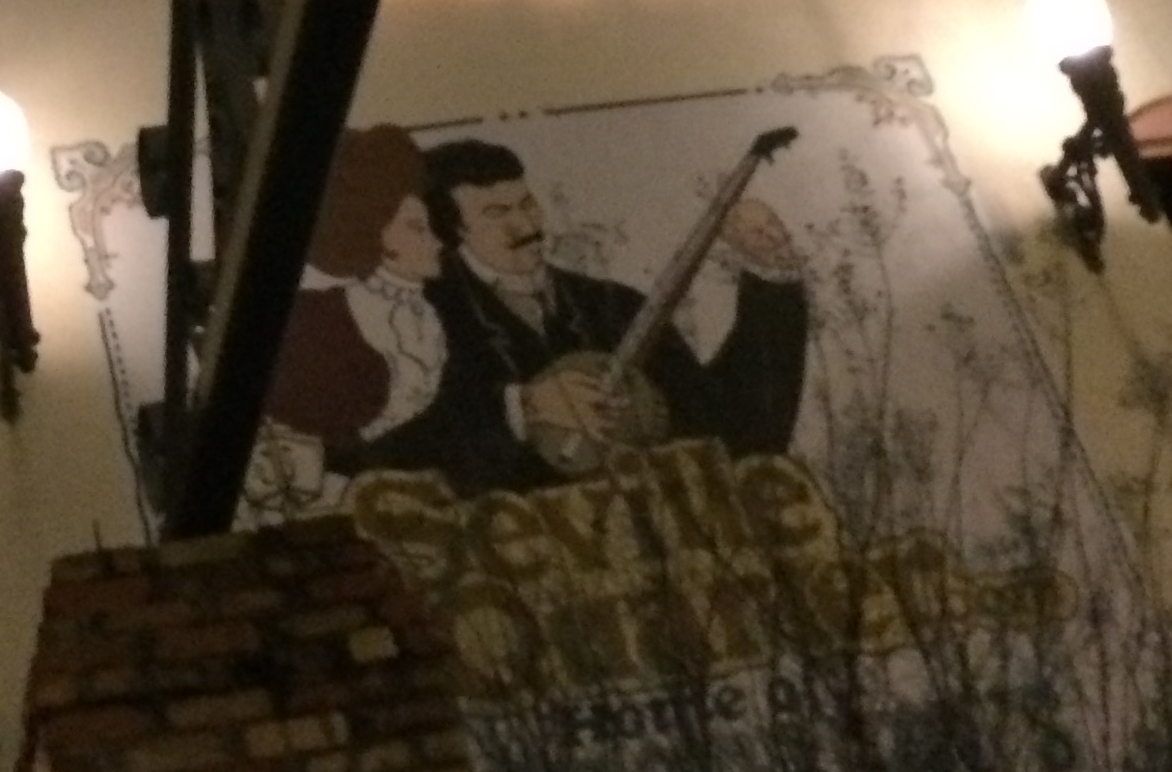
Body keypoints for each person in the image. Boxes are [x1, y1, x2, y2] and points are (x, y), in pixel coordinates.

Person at [338, 134, 810, 495]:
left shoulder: (613, 306)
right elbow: (377, 460)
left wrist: (770, 280)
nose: (525, 225)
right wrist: (522, 409)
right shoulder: (415, 319)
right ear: (450, 230)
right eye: (496, 214)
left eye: (527, 204)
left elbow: (735, 433)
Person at [241, 127, 450, 519]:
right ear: (376, 233)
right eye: (417, 227)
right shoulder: (312, 318)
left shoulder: (431, 319)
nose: (437, 241)